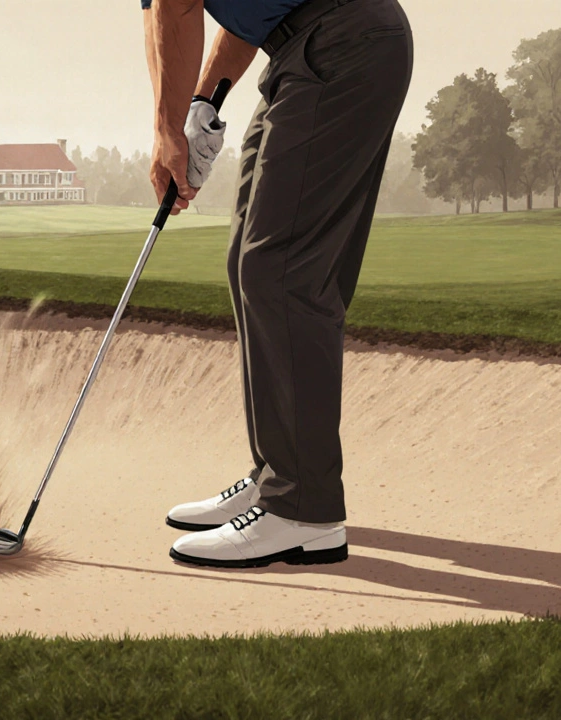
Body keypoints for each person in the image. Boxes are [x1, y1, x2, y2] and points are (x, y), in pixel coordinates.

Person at [142, 0, 413, 568]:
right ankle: (277, 478)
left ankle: (302, 511)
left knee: (281, 272)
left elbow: (176, 7)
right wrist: (200, 104)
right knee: (251, 262)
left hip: (338, 42)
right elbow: (247, 18)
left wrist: (169, 132)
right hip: (308, 48)